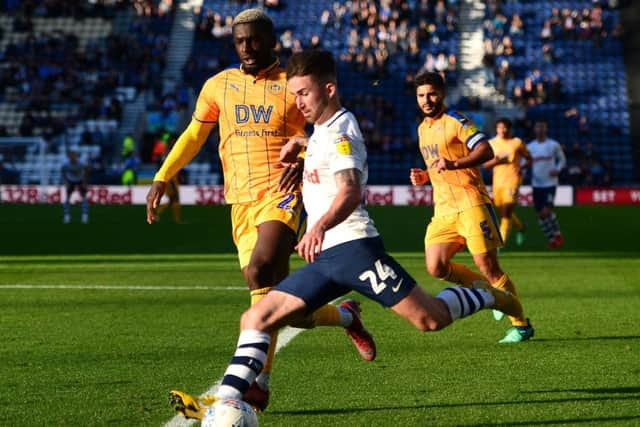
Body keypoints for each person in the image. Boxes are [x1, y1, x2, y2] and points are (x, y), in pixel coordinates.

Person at [177, 49, 525, 420]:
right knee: (256, 318)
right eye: (294, 94)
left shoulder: (342, 130)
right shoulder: (322, 132)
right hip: (326, 259)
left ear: (328, 89)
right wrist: (303, 145)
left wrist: (319, 226)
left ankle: (487, 295)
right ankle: (229, 400)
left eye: (305, 94)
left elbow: (350, 190)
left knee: (431, 319)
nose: (298, 103)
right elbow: (327, 154)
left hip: (356, 251)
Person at [147, 9, 374, 416]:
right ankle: (344, 316)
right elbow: (195, 134)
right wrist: (164, 175)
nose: (247, 47)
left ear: (271, 41)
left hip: (282, 195)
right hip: (240, 201)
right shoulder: (219, 86)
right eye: (240, 41)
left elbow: (325, 129)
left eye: (254, 39)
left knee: (260, 268)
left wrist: (304, 156)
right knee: (285, 306)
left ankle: (257, 385)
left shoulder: (292, 86)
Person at [408, 72, 533, 343]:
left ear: (442, 93)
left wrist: (453, 165)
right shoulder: (422, 129)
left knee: (489, 267)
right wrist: (426, 175)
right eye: (421, 95)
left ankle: (521, 325)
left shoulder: (457, 121)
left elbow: (485, 151)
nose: (426, 100)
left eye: (431, 94)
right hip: (442, 210)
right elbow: (438, 163)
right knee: (436, 267)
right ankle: (492, 295)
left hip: (471, 203)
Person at [483, 118, 532, 246]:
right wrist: (497, 161)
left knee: (506, 212)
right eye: (500, 128)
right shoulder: (491, 143)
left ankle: (500, 242)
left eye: (505, 128)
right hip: (497, 182)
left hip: (512, 181)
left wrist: (522, 168)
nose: (502, 130)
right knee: (503, 211)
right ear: (496, 129)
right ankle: (521, 226)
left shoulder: (516, 143)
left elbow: (529, 159)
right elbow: (485, 165)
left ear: (510, 129)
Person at [527, 120, 566, 248]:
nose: (540, 129)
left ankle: (557, 234)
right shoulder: (530, 147)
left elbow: (562, 159)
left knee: (546, 211)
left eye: (543, 126)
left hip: (550, 183)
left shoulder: (553, 145)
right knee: (540, 214)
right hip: (536, 183)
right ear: (534, 129)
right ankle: (552, 238)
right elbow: (523, 162)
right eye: (538, 126)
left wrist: (558, 169)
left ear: (546, 129)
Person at [62, 149, 89, 224]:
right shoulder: (66, 164)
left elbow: (87, 170)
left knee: (84, 198)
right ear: (69, 157)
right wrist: (66, 181)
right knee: (67, 198)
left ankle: (85, 216)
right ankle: (67, 216)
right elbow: (63, 171)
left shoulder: (81, 163)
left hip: (80, 180)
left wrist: (85, 182)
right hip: (70, 181)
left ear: (76, 156)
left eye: (74, 156)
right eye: (71, 156)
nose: (72, 158)